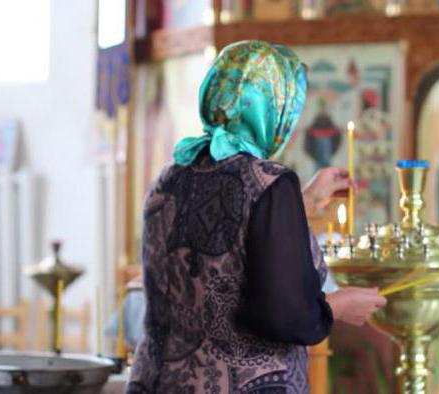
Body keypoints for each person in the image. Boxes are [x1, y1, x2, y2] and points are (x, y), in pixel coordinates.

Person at [126, 40, 386, 394]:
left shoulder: (170, 176)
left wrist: (301, 204)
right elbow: (285, 314)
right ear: (269, 109)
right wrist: (339, 306)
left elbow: (224, 245)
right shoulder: (270, 183)